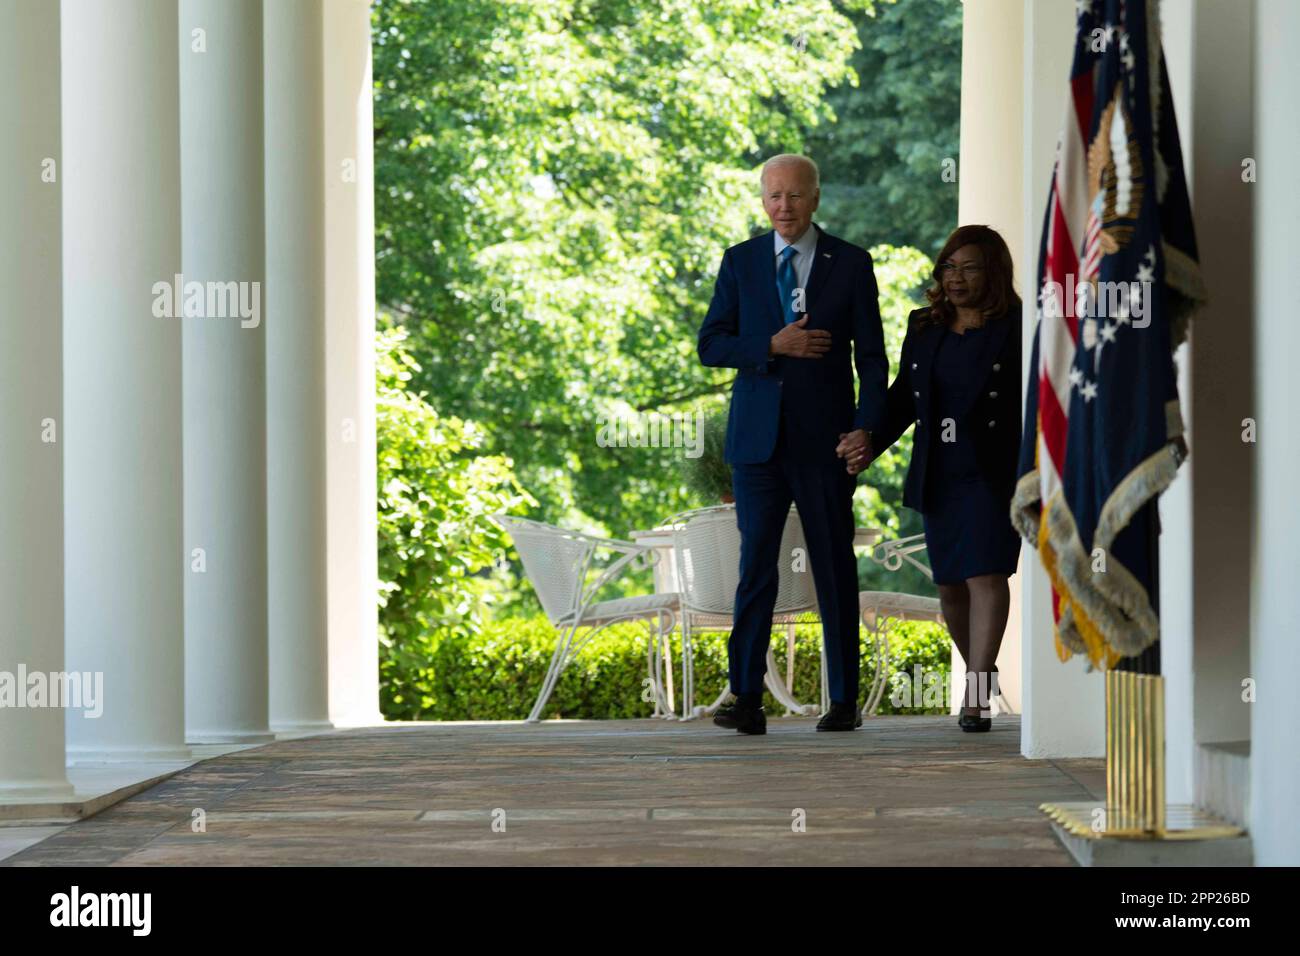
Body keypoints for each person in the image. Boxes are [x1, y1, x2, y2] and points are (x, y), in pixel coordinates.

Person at [697, 154, 888, 735]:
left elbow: (874, 360)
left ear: (816, 198)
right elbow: (711, 345)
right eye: (774, 196)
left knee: (833, 566)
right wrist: (771, 345)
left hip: (826, 442)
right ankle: (746, 698)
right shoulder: (741, 261)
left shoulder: (851, 264)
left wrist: (866, 428)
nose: (784, 206)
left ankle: (843, 700)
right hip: (756, 445)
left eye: (795, 196)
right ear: (763, 199)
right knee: (756, 566)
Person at [851, 225, 1022, 732]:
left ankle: (975, 693)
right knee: (950, 586)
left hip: (994, 471)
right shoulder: (924, 325)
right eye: (949, 266)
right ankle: (982, 678)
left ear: (992, 272)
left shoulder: (1018, 326)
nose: (956, 278)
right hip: (939, 469)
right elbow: (905, 396)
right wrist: (868, 442)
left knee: (986, 574)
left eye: (969, 267)